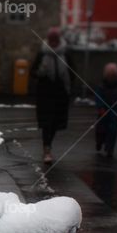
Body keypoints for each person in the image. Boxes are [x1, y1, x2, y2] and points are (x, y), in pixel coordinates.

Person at [31, 27, 73, 164]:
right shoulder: (42, 54)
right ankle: (47, 149)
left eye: (55, 40)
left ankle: (48, 145)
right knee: (46, 123)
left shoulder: (65, 53)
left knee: (55, 123)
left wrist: (69, 87)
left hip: (60, 94)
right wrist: (40, 72)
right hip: (45, 94)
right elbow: (32, 72)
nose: (53, 43)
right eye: (51, 40)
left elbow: (73, 72)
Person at [94, 62, 117, 158]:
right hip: (104, 110)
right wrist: (100, 107)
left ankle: (110, 148)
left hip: (114, 111)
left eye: (113, 75)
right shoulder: (101, 87)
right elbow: (98, 97)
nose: (112, 77)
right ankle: (99, 142)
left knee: (113, 130)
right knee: (100, 129)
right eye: (110, 75)